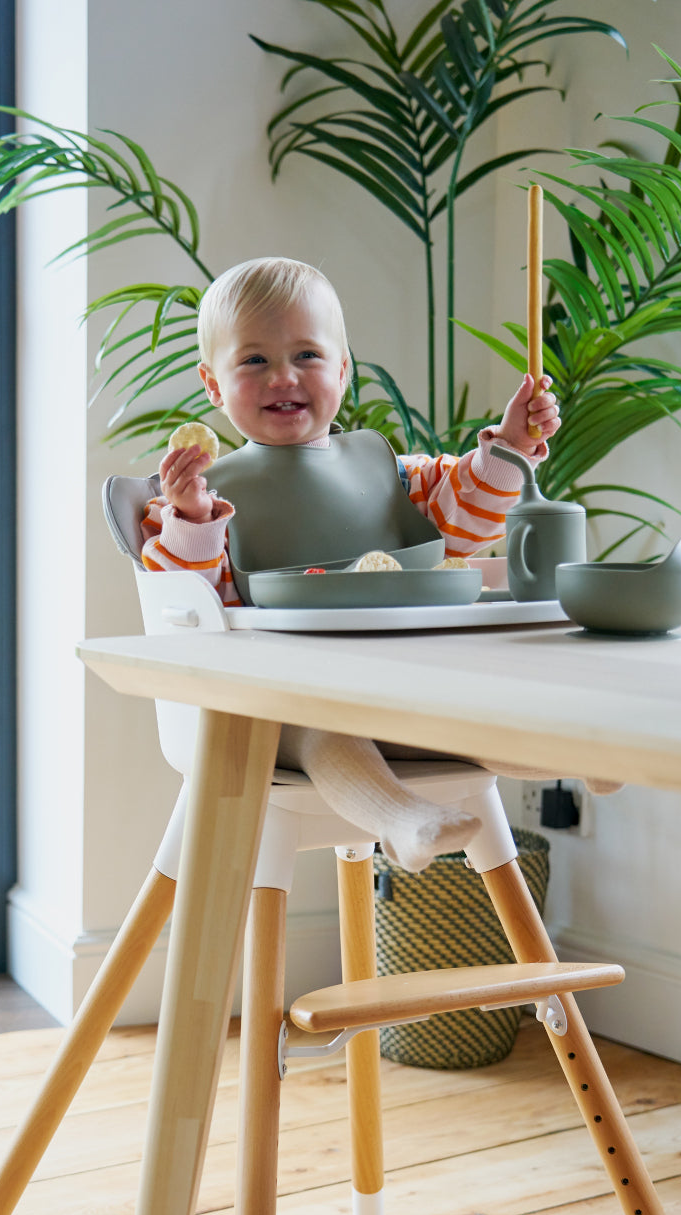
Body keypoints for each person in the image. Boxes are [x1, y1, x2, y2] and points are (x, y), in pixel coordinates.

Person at [139, 256, 562, 871]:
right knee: (322, 730)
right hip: (278, 713)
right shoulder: (202, 499)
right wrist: (192, 519)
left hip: (400, 691)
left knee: (484, 710)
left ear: (343, 368)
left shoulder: (389, 470)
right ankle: (405, 820)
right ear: (213, 385)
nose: (283, 376)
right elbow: (189, 610)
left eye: (307, 355)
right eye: (254, 360)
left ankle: (601, 759)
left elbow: (464, 519)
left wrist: (514, 445)